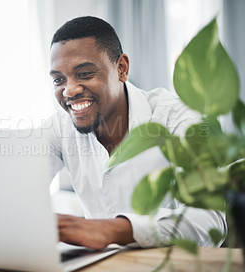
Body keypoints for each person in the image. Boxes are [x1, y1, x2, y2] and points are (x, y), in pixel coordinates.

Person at [45, 16, 226, 250]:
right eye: (59, 80)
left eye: (85, 74)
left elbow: (210, 223)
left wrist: (113, 230)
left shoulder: (182, 120)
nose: (69, 90)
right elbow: (17, 192)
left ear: (121, 68)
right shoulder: (59, 127)